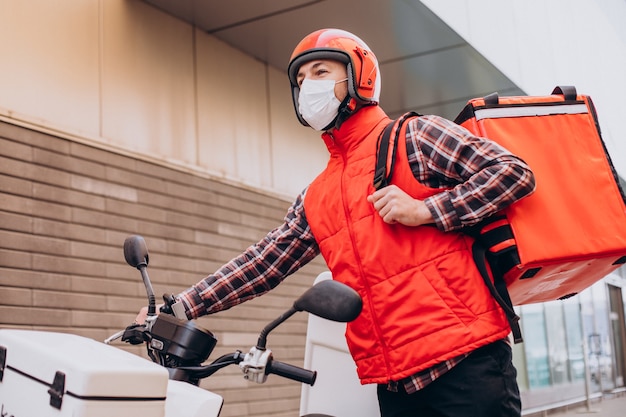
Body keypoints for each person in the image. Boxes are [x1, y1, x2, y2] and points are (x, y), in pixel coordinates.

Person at [137, 28, 535, 417]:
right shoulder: (319, 193)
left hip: (465, 364)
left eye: (321, 72)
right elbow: (264, 262)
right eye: (301, 79)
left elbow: (513, 172)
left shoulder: (413, 137)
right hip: (395, 384)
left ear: (359, 78)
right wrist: (183, 305)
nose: (308, 85)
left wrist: (428, 210)